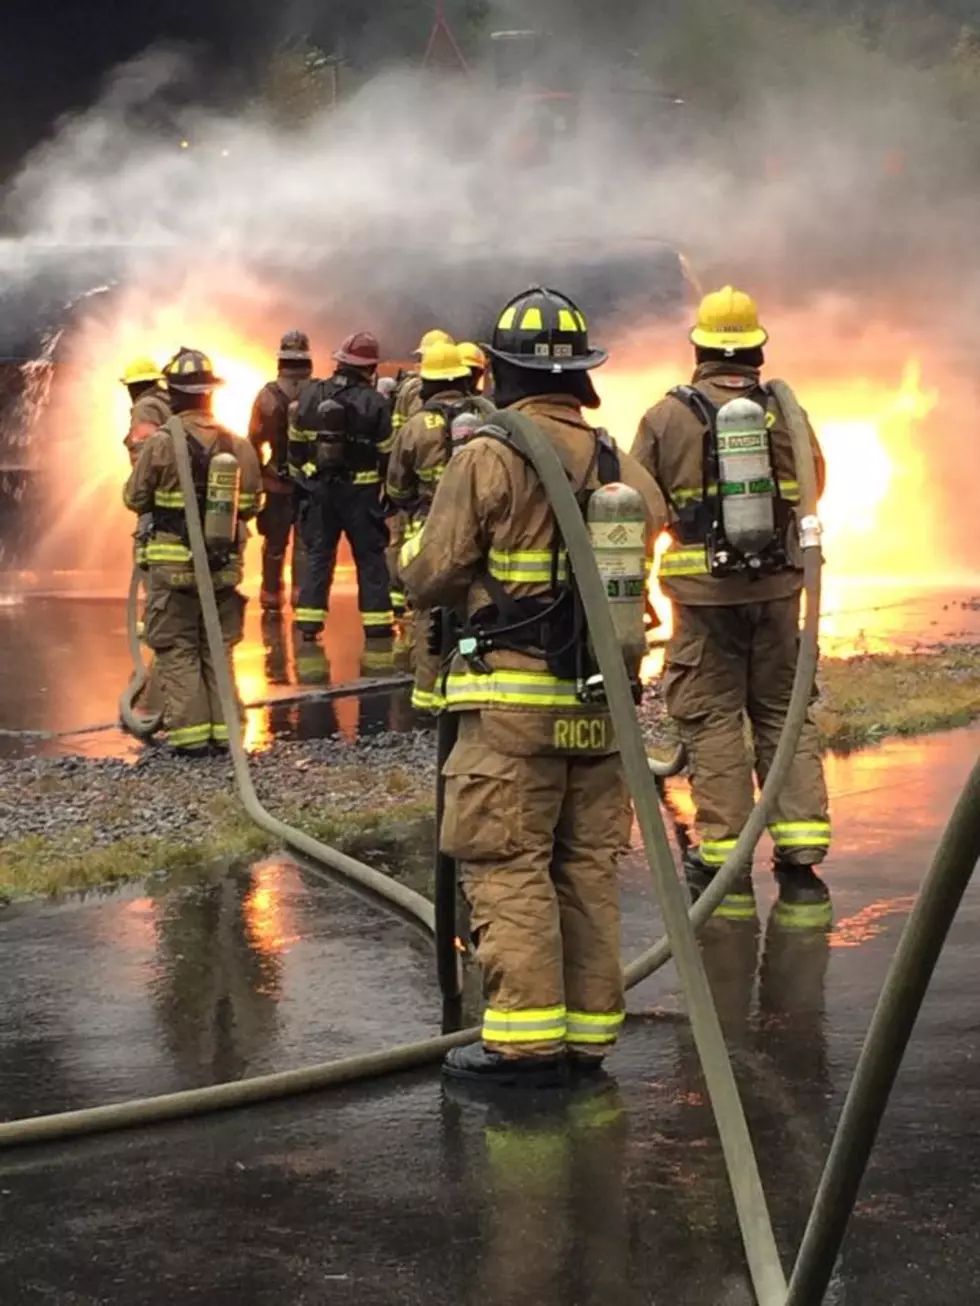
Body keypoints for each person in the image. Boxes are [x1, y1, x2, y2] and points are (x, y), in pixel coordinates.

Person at [401, 286, 667, 1085]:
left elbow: (433, 574)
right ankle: (587, 1039)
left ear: (504, 373)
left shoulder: (488, 455)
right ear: (581, 373)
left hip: (513, 705)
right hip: (599, 707)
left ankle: (521, 1046)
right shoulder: (622, 465)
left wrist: (405, 556)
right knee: (585, 866)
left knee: (507, 862)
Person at [631, 286, 831, 928]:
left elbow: (637, 506)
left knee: (713, 717)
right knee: (782, 710)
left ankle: (723, 855)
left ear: (698, 349)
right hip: (778, 592)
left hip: (702, 597)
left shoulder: (668, 417)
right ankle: (801, 844)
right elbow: (814, 483)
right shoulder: (785, 412)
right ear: (756, 349)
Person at [124, 348, 261, 757]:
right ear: (209, 395)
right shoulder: (238, 445)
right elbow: (252, 505)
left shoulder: (162, 444)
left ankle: (191, 739)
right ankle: (227, 734)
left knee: (178, 647)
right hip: (222, 567)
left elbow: (135, 497)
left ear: (177, 396)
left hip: (173, 567)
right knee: (216, 647)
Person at [386, 340, 478, 712]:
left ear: (428, 383)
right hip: (476, 530)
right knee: (473, 609)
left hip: (428, 530)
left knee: (427, 611)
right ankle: (468, 692)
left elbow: (396, 485)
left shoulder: (415, 427)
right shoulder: (485, 417)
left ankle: (427, 700)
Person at [290, 331, 395, 642]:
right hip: (361, 496)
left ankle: (309, 623)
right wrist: (389, 494)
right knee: (370, 557)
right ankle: (377, 625)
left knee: (319, 555)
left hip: (319, 491)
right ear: (370, 367)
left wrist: (304, 481)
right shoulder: (376, 402)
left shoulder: (310, 394)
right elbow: (387, 454)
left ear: (339, 362)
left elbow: (294, 446)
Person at [247, 330, 313, 613]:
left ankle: (271, 597)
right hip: (311, 483)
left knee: (274, 544)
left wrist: (260, 475)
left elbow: (253, 440)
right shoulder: (319, 392)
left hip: (275, 484)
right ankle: (302, 599)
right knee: (305, 545)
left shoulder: (266, 396)